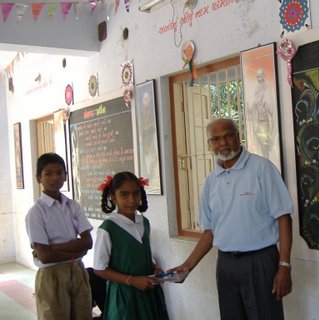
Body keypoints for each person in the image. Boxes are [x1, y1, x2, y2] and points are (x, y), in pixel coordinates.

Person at [170, 118, 293, 320]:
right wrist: (187, 266)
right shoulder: (211, 181)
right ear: (210, 144)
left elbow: (284, 219)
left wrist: (284, 266)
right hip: (226, 265)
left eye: (228, 136)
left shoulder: (261, 168)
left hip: (260, 262)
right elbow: (210, 231)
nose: (223, 143)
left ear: (238, 136)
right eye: (216, 139)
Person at [25, 152, 93, 320]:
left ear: (65, 176)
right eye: (48, 173)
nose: (55, 178)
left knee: (83, 315)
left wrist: (54, 247)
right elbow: (45, 256)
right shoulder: (36, 213)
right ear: (38, 178)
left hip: (77, 271)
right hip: (51, 276)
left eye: (59, 172)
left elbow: (87, 242)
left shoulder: (73, 206)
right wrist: (74, 250)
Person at [93, 172, 169, 320]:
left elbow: (141, 255)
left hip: (148, 292)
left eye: (136, 193)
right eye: (124, 195)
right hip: (124, 296)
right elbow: (99, 268)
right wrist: (132, 280)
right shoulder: (108, 228)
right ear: (112, 197)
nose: (132, 200)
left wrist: (154, 268)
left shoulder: (144, 223)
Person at [250, 68, 276, 158]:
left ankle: (267, 163)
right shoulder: (257, 88)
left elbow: (270, 105)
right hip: (257, 122)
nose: (259, 79)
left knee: (265, 147)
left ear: (264, 76)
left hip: (264, 121)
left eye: (261, 76)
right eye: (258, 77)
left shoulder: (267, 88)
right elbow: (255, 104)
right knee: (259, 147)